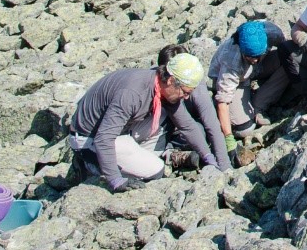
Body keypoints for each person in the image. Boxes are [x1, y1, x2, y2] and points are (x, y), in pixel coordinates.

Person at [67, 53, 206, 192]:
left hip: (119, 131)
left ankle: (127, 162)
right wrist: (116, 180)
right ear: (171, 81)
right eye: (186, 92)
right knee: (156, 170)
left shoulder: (157, 84)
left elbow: (187, 126)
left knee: (165, 121)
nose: (186, 98)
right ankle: (92, 166)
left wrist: (209, 158)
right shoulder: (133, 93)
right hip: (88, 140)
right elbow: (103, 138)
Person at [209, 21, 289, 158]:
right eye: (251, 58)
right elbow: (223, 102)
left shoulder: (271, 32)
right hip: (237, 81)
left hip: (255, 71)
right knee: (244, 129)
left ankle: (259, 105)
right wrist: (229, 140)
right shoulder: (231, 60)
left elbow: (284, 45)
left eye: (258, 56)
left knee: (289, 61)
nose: (255, 60)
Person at [157, 44, 232, 172]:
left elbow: (212, 125)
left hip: (183, 130)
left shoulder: (196, 88)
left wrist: (224, 166)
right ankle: (168, 153)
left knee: (199, 131)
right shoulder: (153, 81)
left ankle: (173, 152)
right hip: (160, 129)